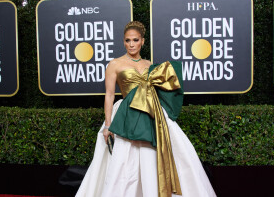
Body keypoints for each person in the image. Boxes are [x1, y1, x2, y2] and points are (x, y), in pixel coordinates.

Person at [75, 21, 216, 197]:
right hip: (127, 114)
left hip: (152, 114)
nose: (131, 44)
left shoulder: (150, 65)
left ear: (142, 41)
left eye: (135, 40)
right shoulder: (115, 64)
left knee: (153, 156)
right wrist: (107, 125)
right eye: (127, 40)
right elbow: (109, 95)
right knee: (125, 161)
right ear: (123, 42)